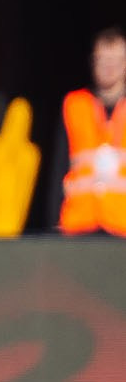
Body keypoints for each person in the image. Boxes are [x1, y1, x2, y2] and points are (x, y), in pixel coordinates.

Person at [59, 26, 126, 236]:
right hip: (79, 225)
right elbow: (59, 169)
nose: (109, 67)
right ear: (93, 62)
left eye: (115, 60)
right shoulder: (74, 105)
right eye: (103, 60)